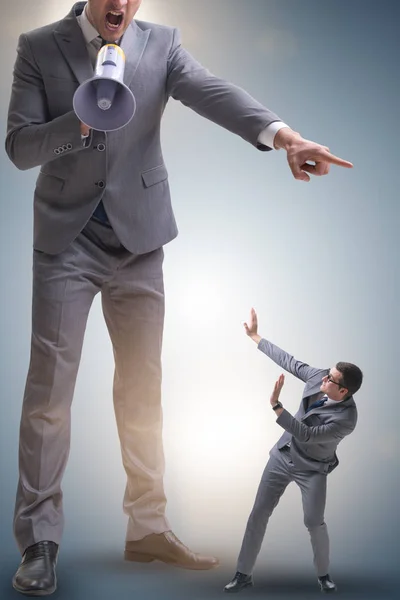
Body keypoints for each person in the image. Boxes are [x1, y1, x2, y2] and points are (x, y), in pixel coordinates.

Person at [6, 0, 353, 596]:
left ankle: (147, 527)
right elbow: (19, 147)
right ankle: (40, 541)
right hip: (67, 242)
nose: (119, 5)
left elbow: (213, 92)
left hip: (140, 243)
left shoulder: (160, 43)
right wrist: (82, 120)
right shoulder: (39, 47)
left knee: (142, 388)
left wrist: (285, 136)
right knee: (50, 395)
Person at [224, 308, 363, 595]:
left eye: (332, 379)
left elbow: (309, 435)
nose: (324, 378)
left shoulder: (346, 419)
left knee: (314, 522)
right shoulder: (320, 376)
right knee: (259, 513)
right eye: (328, 373)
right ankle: (243, 573)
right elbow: (288, 360)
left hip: (312, 468)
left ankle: (323, 575)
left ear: (344, 392)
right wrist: (255, 337)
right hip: (282, 455)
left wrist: (276, 406)